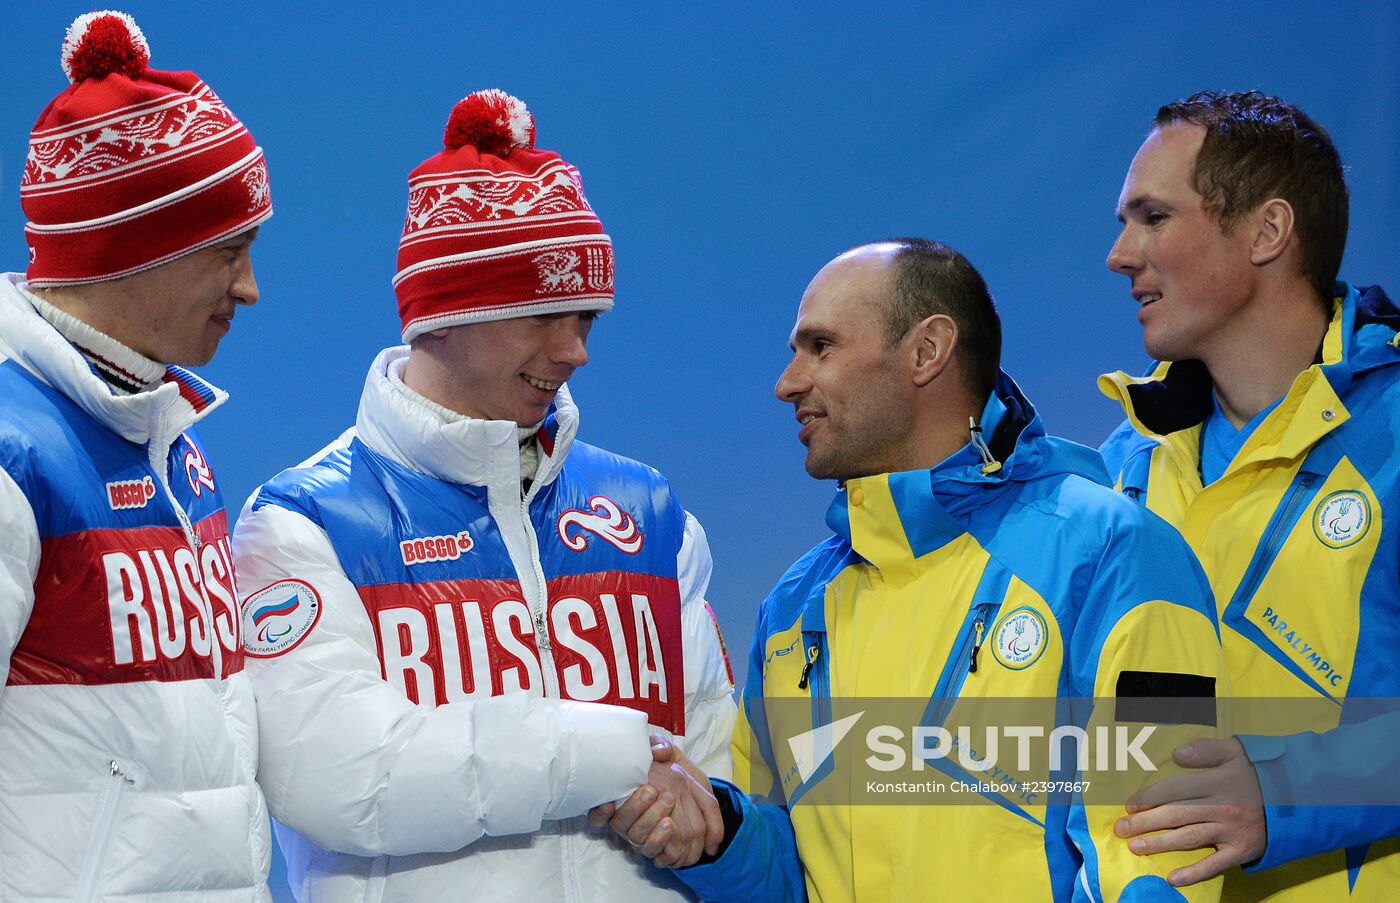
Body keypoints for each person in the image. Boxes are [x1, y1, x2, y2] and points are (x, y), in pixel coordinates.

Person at [230, 89, 736, 901]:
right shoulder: (303, 521)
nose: (574, 350)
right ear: (442, 315)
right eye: (542, 316)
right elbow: (341, 778)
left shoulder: (648, 511)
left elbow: (711, 755)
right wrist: (606, 755)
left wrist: (700, 820)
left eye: (586, 318)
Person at [632, 239, 1228, 901]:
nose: (787, 383)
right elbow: (791, 870)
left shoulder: (1117, 553)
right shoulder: (792, 608)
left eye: (821, 347)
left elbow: (1164, 857)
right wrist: (719, 835)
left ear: (927, 351)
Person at [0, 10, 273, 901]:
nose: (250, 288)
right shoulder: (12, 449)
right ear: (135, 250)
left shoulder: (166, 439)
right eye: (230, 252)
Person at [1101, 90, 1400, 898]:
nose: (1120, 255)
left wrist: (1282, 790)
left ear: (1268, 231)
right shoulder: (1123, 465)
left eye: (1153, 217)